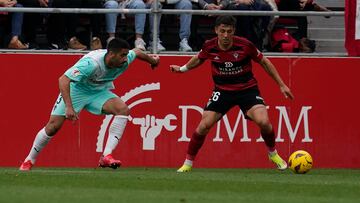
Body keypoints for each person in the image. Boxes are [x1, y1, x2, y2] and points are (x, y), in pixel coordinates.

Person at [170, 16, 294, 172]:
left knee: (264, 122)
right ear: (216, 31)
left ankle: (273, 154)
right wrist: (182, 69)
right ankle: (187, 163)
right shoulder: (209, 46)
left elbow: (264, 62)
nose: (226, 35)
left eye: (229, 31)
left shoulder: (245, 45)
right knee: (203, 126)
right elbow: (198, 59)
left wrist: (281, 85)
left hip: (247, 90)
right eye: (222, 31)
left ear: (234, 31)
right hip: (222, 91)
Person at [19, 38, 160, 171]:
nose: (125, 59)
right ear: (111, 54)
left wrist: (151, 61)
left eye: (125, 55)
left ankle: (106, 156)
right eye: (122, 55)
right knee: (53, 127)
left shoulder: (126, 58)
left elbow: (136, 52)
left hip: (98, 92)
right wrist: (69, 107)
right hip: (77, 90)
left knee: (122, 109)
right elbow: (63, 80)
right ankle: (29, 160)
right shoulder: (91, 64)